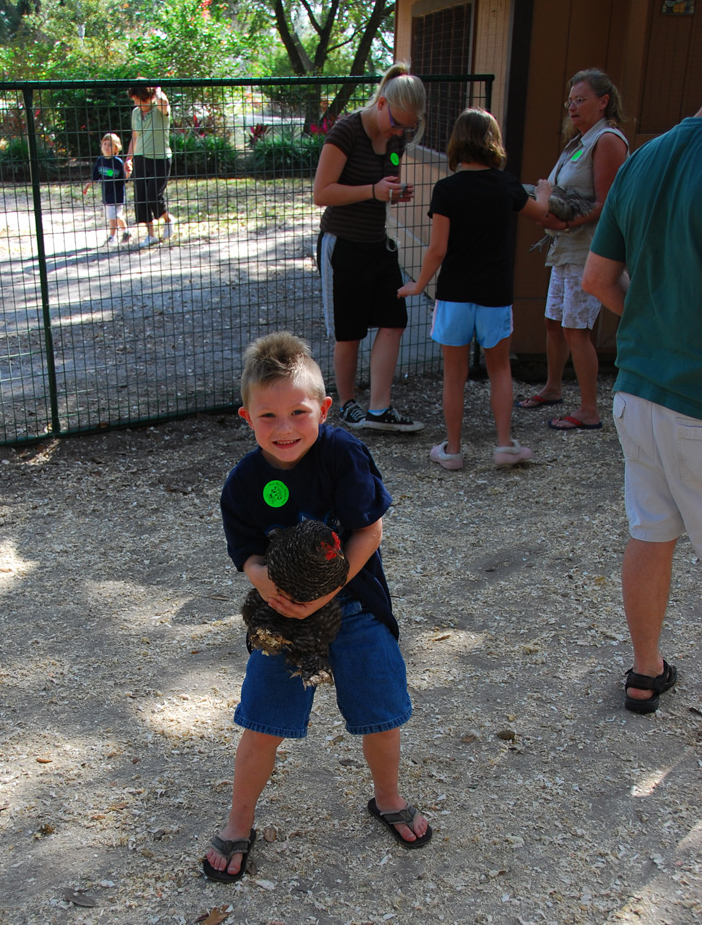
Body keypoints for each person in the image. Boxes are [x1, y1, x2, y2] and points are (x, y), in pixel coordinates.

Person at [203, 332, 431, 881]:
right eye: (268, 417)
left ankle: (388, 795)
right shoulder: (244, 482)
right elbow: (246, 552)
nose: (284, 429)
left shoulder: (343, 453)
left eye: (298, 413)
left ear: (324, 410)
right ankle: (238, 820)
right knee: (261, 720)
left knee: (381, 713)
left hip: (353, 602)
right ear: (247, 418)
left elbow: (368, 531)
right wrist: (262, 580)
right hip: (283, 614)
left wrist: (327, 593)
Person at [582, 49, 702, 714]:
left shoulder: (644, 159)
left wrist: (660, 324)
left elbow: (597, 280)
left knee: (649, 530)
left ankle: (643, 672)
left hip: (638, 390)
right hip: (700, 401)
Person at [398, 108, 553, 469]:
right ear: (492, 142)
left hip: (453, 295)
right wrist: (543, 190)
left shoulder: (446, 189)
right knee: (499, 369)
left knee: (454, 375)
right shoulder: (506, 184)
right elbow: (540, 213)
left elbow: (438, 249)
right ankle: (503, 446)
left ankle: (452, 450)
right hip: (494, 295)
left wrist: (418, 284)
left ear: (456, 143)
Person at [313, 64, 427, 434]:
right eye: (397, 124)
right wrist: (373, 191)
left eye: (407, 128)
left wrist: (395, 190)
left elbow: (388, 173)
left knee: (394, 321)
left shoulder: (394, 139)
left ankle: (380, 407)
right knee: (349, 332)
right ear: (381, 104)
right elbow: (322, 193)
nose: (400, 133)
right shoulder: (346, 131)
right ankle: (347, 405)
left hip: (378, 242)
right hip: (342, 244)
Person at [516, 68, 628, 429]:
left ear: (603, 101)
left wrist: (564, 222)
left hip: (588, 250)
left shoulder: (606, 140)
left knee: (576, 328)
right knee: (554, 322)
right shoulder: (578, 141)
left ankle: (589, 410)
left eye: (581, 100)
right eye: (570, 101)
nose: (573, 107)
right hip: (564, 248)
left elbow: (607, 203)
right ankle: (552, 388)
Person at [125, 82, 175, 250]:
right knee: (141, 197)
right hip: (140, 158)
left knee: (154, 195)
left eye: (140, 100)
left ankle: (168, 220)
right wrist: (128, 159)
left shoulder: (160, 110)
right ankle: (151, 235)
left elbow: (165, 104)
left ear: (149, 97)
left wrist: (158, 91)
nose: (137, 104)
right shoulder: (135, 113)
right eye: (135, 101)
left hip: (160, 158)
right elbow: (135, 136)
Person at [83, 133, 131, 245]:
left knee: (112, 216)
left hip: (117, 194)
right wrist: (87, 185)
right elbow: (95, 177)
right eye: (104, 144)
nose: (106, 146)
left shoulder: (118, 162)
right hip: (107, 194)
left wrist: (128, 173)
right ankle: (126, 232)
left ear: (116, 148)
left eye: (110, 144)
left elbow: (124, 177)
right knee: (117, 215)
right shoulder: (100, 161)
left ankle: (112, 237)